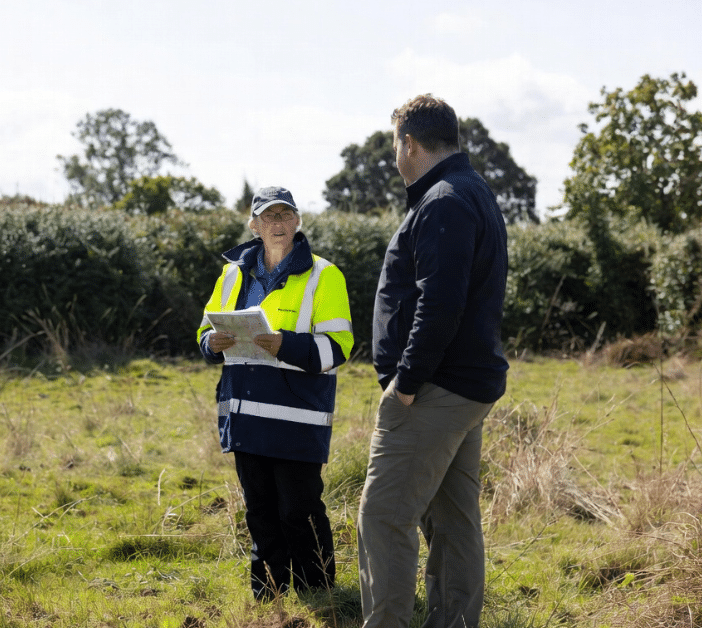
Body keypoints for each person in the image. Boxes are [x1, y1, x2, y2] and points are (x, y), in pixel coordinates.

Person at [357, 95, 509, 628]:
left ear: (410, 143)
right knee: (452, 518)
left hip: (433, 391)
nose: (394, 155)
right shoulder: (472, 192)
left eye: (394, 145)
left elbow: (439, 304)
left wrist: (405, 383)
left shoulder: (443, 200)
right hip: (465, 387)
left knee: (385, 516)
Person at [196, 186, 354, 602]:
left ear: (298, 221)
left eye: (286, 215)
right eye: (269, 217)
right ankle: (268, 597)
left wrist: (284, 344)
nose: (278, 224)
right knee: (260, 512)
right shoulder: (231, 274)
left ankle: (319, 596)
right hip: (245, 416)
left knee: (298, 511)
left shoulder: (325, 275)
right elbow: (204, 330)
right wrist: (211, 343)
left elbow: (337, 349)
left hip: (296, 419)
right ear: (254, 226)